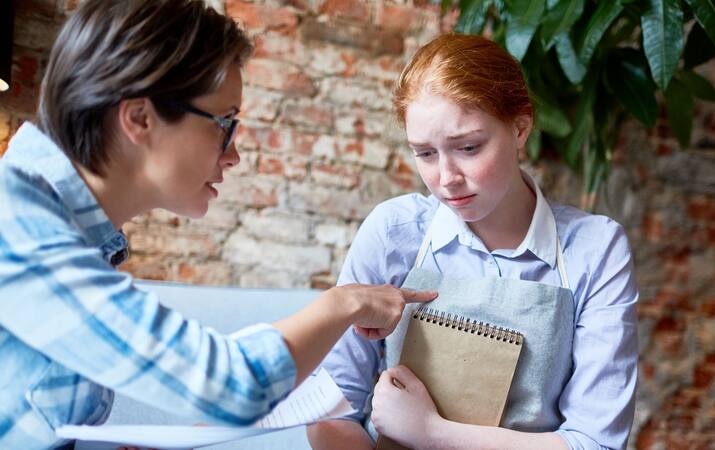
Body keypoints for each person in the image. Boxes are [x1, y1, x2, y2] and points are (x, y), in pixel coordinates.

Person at [0, 1, 437, 448]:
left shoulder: (66, 233)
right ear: (139, 118)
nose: (234, 155)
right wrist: (345, 303)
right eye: (224, 123)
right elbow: (232, 387)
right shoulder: (15, 223)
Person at [306, 33, 639, 450]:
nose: (446, 179)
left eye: (468, 147)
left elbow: (596, 442)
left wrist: (432, 433)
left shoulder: (595, 248)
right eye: (425, 153)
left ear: (520, 127)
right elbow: (331, 409)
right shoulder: (393, 232)